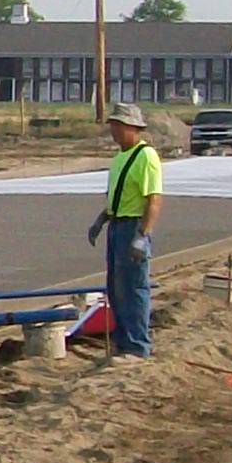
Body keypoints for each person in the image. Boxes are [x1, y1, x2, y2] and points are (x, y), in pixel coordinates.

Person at [87, 102, 164, 361]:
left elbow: (153, 199)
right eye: (113, 126)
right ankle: (123, 342)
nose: (115, 132)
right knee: (116, 287)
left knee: (134, 287)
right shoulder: (119, 159)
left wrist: (142, 236)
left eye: (119, 127)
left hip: (133, 226)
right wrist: (100, 221)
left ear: (133, 128)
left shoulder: (146, 157)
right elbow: (116, 198)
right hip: (117, 226)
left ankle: (137, 345)